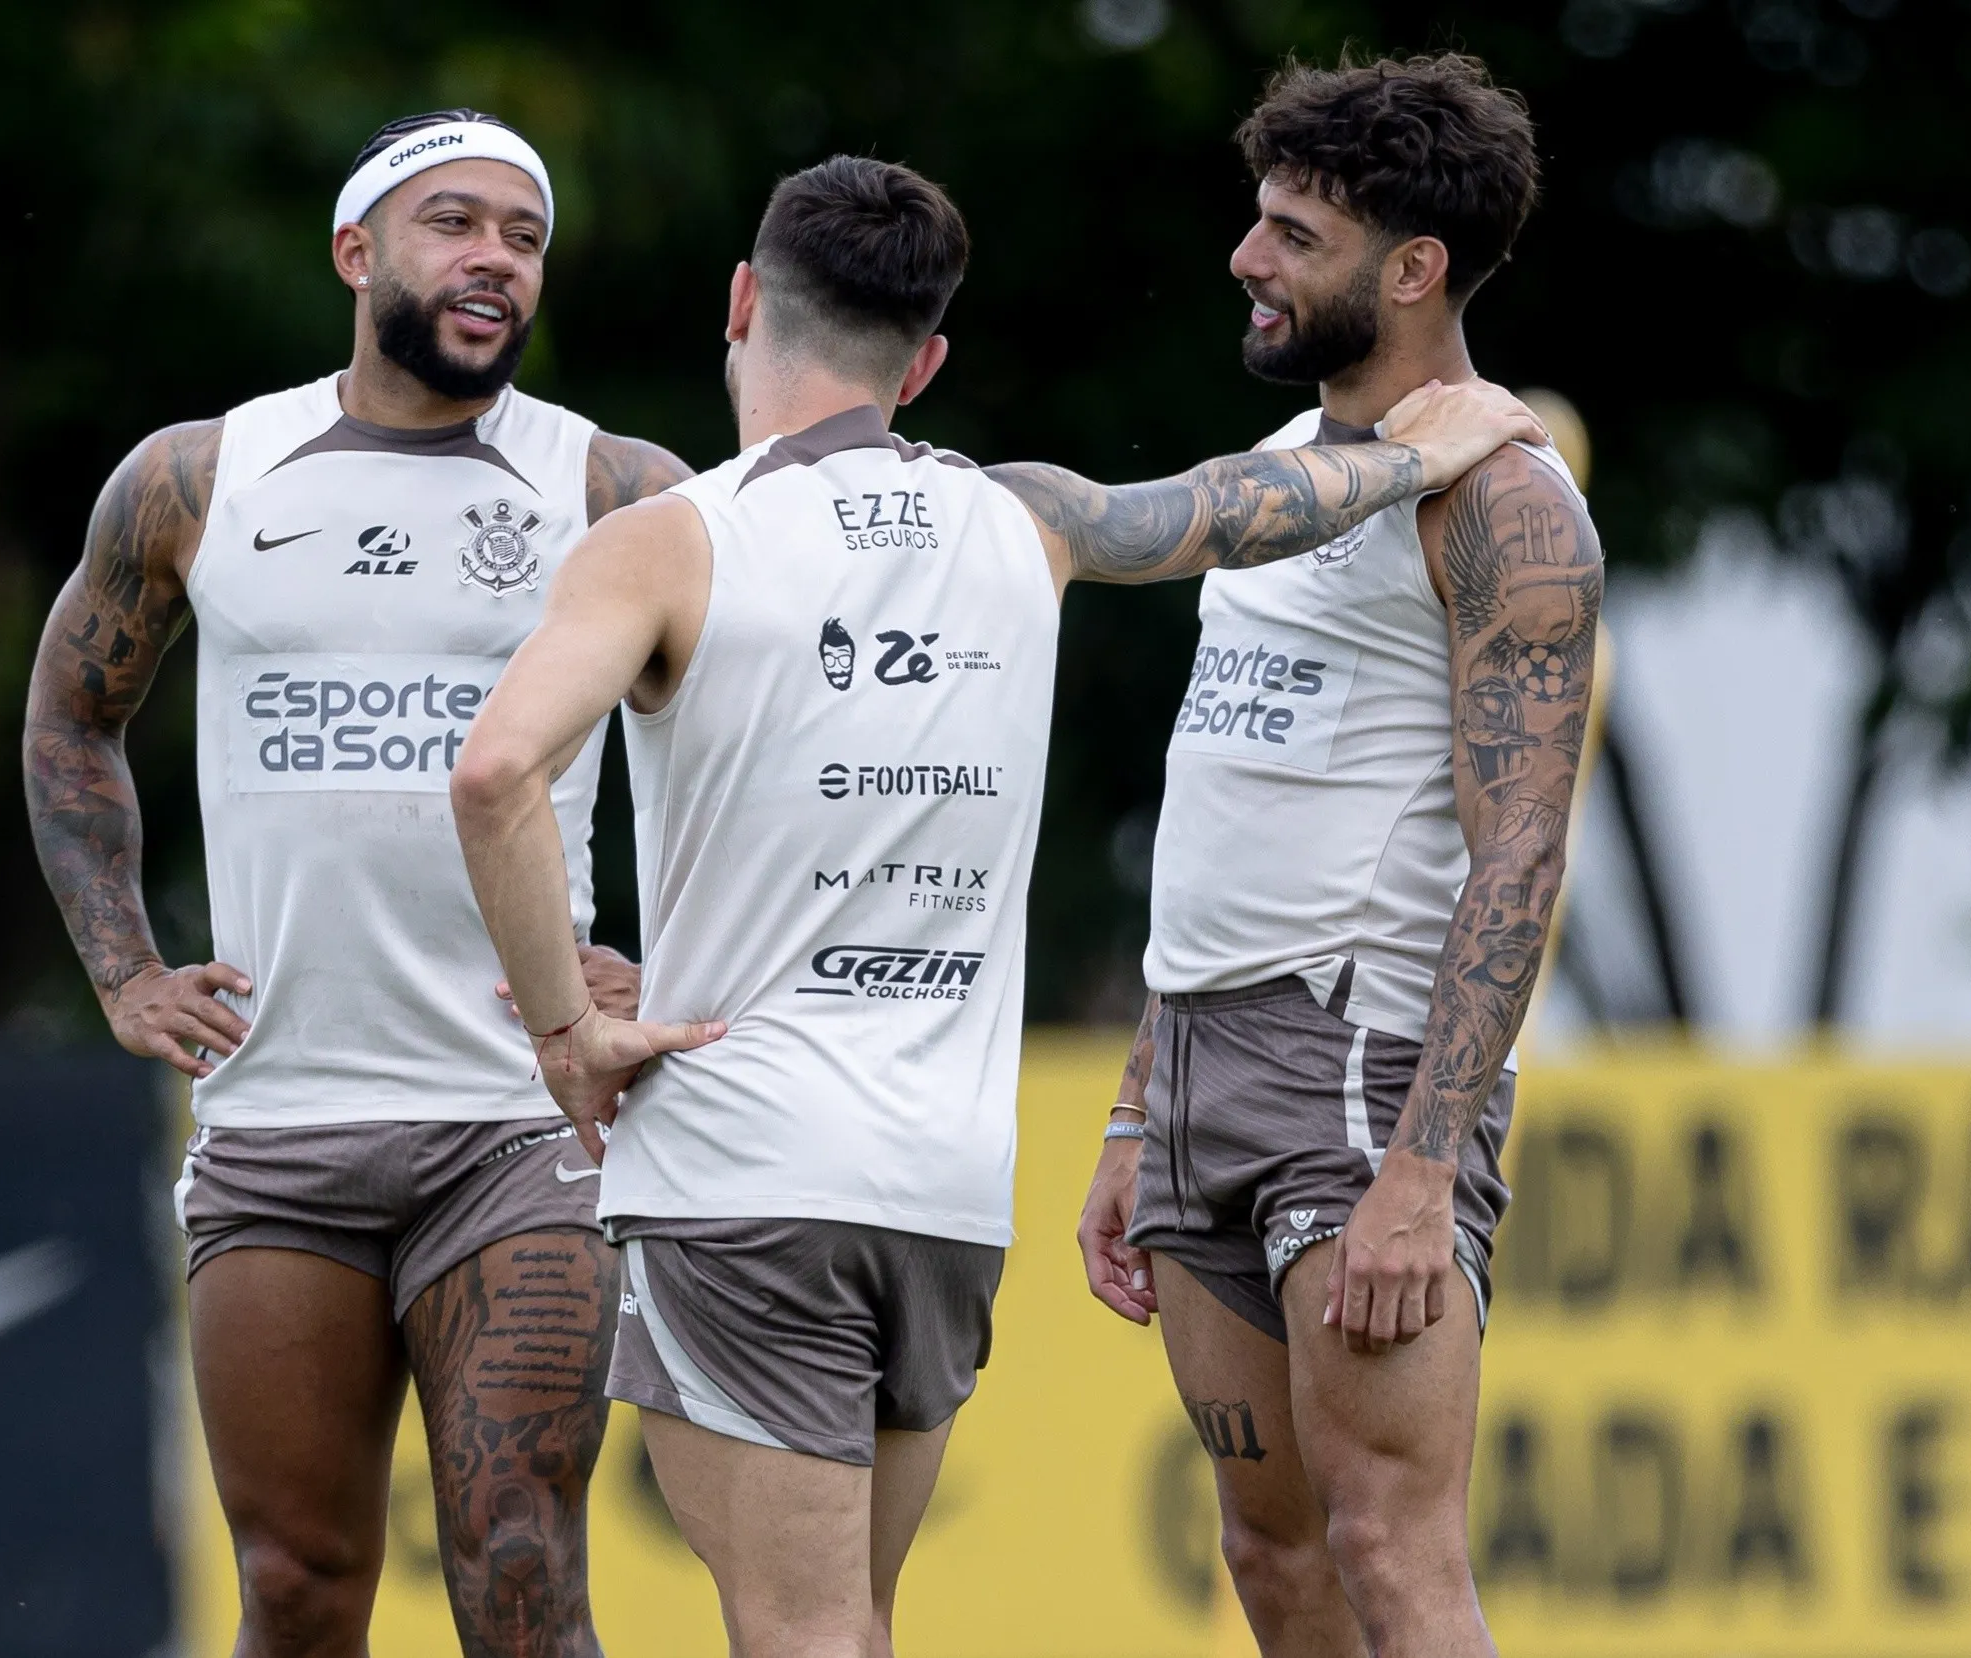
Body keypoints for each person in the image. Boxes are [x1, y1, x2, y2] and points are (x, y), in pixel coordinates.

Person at [448, 153, 1543, 1658]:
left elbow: (494, 769)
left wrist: (568, 1029)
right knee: (858, 1619)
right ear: (930, 359)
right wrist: (1428, 445)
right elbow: (1240, 503)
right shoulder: (1026, 522)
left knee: (798, 1628)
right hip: (940, 1198)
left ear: (742, 301)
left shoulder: (671, 537)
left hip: (746, 1171)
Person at [23, 109, 686, 1658]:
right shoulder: (198, 475)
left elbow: (745, 743)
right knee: (300, 1587)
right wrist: (121, 964)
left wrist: (671, 955)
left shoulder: (616, 486)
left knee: (518, 1571)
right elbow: (71, 714)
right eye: (455, 222)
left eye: (524, 239)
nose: (495, 260)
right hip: (278, 1124)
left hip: (518, 1126)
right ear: (357, 249)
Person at [1075, 53, 1601, 1658]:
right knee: (1271, 1552)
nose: (1247, 255)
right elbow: (1230, 801)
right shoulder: (1295, 475)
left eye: (1291, 232)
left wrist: (1423, 1167)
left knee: (1390, 1545)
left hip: (1360, 1073)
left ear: (1411, 268)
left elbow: (1521, 854)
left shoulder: (1506, 504)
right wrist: (1132, 1099)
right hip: (1198, 1064)